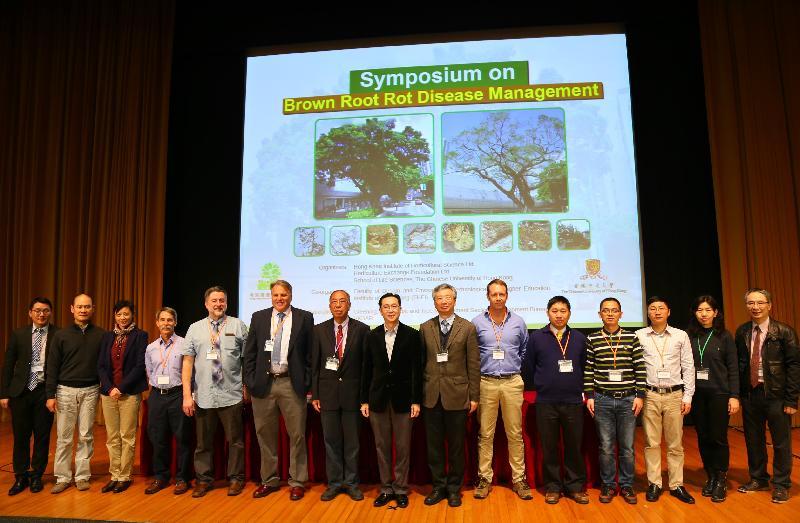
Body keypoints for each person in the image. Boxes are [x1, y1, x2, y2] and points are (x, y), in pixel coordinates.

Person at [243, 280, 314, 501]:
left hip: (291, 384)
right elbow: (250, 353)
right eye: (276, 295)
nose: (279, 298)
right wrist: (250, 381)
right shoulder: (259, 317)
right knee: (265, 435)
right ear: (271, 296)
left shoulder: (304, 317)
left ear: (290, 295)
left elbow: (310, 354)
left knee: (297, 435)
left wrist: (307, 382)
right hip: (263, 385)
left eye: (283, 294)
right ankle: (269, 480)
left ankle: (297, 481)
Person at [181, 286, 248, 498]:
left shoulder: (238, 325)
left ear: (226, 303)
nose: (218, 304)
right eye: (214, 301)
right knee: (203, 444)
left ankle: (236, 479)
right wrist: (186, 395)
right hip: (204, 396)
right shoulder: (194, 328)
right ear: (206, 304)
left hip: (232, 394)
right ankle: (203, 480)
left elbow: (247, 360)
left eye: (222, 300)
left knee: (235, 442)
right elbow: (187, 362)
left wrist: (246, 387)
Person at [735, 288, 800, 504]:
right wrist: (738, 394)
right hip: (751, 394)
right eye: (751, 303)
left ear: (769, 306)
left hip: (777, 396)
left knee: (781, 443)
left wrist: (791, 399)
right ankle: (758, 478)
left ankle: (781, 485)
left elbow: (794, 366)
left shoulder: (784, 332)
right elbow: (740, 365)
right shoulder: (742, 331)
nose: (755, 307)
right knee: (753, 440)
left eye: (760, 303)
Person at [419, 283, 480, 508]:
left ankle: (454, 489)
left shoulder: (468, 327)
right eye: (439, 298)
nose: (444, 301)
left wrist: (474, 396)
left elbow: (473, 363)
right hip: (431, 395)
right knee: (434, 447)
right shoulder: (425, 327)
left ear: (455, 300)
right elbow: (420, 363)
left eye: (448, 297)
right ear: (434, 302)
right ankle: (438, 486)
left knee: (456, 447)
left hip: (458, 394)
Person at [471, 279, 532, 500]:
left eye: (502, 294)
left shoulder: (518, 322)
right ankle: (484, 479)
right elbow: (473, 353)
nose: (498, 298)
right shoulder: (477, 322)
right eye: (494, 294)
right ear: (487, 296)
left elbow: (524, 349)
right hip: (486, 382)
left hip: (512, 382)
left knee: (514, 434)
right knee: (485, 434)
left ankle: (519, 479)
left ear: (507, 296)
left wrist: (512, 366)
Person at [360, 293, 422, 509]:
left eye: (394, 306)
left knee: (403, 447)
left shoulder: (412, 335)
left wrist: (416, 400)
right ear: (380, 310)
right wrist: (364, 400)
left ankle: (401, 488)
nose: (390, 310)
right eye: (386, 306)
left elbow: (416, 371)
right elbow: (366, 370)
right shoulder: (371, 335)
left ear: (400, 309)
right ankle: (386, 488)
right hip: (377, 400)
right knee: (382, 447)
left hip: (404, 400)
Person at [526, 296, 589, 505]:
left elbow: (585, 366)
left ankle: (575, 486)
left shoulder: (579, 338)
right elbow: (529, 366)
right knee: (549, 447)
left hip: (573, 401)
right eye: (555, 311)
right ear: (547, 313)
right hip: (546, 402)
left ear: (569, 313)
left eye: (563, 311)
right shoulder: (537, 337)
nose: (559, 315)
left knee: (574, 446)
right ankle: (553, 487)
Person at [584, 297, 645, 504]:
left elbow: (640, 368)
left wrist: (640, 395)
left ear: (621, 314)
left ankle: (627, 485)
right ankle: (608, 485)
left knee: (627, 447)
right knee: (606, 446)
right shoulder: (593, 339)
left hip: (628, 399)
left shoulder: (631, 337)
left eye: (614, 310)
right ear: (599, 314)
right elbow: (589, 369)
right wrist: (590, 396)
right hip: (602, 399)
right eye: (606, 310)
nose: (610, 314)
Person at [635, 296, 695, 504]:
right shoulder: (639, 335)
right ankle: (654, 483)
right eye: (653, 308)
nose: (657, 311)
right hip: (650, 394)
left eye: (661, 308)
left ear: (668, 312)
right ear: (648, 312)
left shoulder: (680, 335)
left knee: (675, 444)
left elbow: (688, 366)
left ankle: (677, 484)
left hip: (674, 395)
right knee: (651, 442)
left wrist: (688, 395)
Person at [311, 290, 369, 502]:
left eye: (342, 301)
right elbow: (315, 364)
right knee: (331, 442)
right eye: (334, 302)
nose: (338, 305)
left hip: (353, 396)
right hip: (327, 396)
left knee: (352, 444)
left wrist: (364, 397)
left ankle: (352, 483)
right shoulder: (318, 330)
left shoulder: (362, 329)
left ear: (349, 305)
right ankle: (334, 483)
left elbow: (366, 366)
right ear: (329, 306)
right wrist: (315, 394)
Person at [46, 293, 105, 493]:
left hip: (91, 390)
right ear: (72, 309)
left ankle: (82, 476)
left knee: (86, 435)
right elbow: (52, 367)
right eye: (79, 307)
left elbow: (104, 365)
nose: (83, 310)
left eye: (87, 307)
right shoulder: (61, 335)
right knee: (64, 437)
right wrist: (50, 395)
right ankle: (62, 477)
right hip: (65, 391)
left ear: (92, 309)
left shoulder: (101, 335)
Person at [1, 298, 59, 495]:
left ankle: (37, 476)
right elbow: (8, 364)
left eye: (45, 311)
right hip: (21, 392)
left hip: (44, 391)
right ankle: (20, 476)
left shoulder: (58, 334)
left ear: (50, 312)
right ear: (30, 313)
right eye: (37, 310)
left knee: (42, 436)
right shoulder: (19, 334)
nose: (41, 314)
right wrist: (4, 392)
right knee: (21, 436)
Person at [687, 295, 739, 502]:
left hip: (719, 393)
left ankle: (720, 479)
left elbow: (733, 368)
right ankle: (710, 476)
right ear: (695, 313)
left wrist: (734, 396)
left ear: (716, 313)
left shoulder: (725, 336)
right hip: (697, 394)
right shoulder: (689, 336)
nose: (704, 314)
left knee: (718, 437)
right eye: (700, 310)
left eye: (708, 310)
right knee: (703, 436)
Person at [97, 300, 148, 494]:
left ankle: (125, 476)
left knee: (127, 436)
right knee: (112, 437)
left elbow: (140, 366)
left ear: (132, 314)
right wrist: (110, 388)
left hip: (129, 393)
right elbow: (101, 366)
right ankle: (114, 475)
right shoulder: (107, 336)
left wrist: (121, 388)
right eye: (119, 314)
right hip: (109, 394)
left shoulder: (140, 336)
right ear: (115, 316)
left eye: (126, 314)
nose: (122, 317)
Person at [143, 307, 192, 495]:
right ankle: (161, 477)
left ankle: (182, 478)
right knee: (158, 438)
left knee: (182, 438)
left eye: (169, 320)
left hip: (177, 394)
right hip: (157, 395)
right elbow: (150, 372)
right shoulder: (150, 348)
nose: (166, 323)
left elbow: (191, 372)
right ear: (157, 323)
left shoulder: (184, 344)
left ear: (175, 322)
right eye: (162, 320)